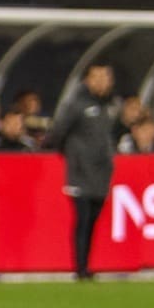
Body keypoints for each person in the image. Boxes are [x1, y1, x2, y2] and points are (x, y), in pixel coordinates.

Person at [43, 64, 117, 280]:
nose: (103, 81)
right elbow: (58, 132)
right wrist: (71, 154)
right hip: (80, 172)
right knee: (82, 219)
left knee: (93, 219)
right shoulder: (76, 104)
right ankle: (80, 268)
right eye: (98, 77)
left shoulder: (110, 106)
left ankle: (86, 265)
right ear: (87, 80)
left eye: (106, 76)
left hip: (102, 173)